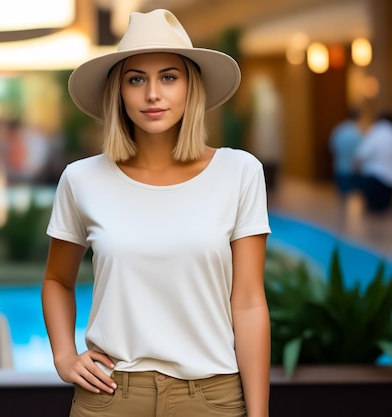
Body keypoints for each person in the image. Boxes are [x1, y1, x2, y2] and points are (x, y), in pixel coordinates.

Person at [41, 9, 271, 417]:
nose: (152, 94)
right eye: (136, 79)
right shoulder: (81, 179)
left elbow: (250, 302)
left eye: (169, 77)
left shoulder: (239, 172)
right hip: (109, 396)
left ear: (190, 87)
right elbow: (58, 279)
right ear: (119, 92)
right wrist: (63, 356)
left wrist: (258, 414)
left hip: (211, 398)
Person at [355, 111, 392, 238]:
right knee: (385, 209)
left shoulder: (376, 131)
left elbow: (364, 152)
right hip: (391, 176)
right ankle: (382, 238)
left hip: (375, 175)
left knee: (373, 211)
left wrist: (357, 164)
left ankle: (373, 238)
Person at [329, 108, 363, 200]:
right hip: (353, 169)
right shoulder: (357, 132)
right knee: (355, 197)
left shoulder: (339, 130)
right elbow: (361, 153)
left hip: (340, 167)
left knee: (343, 197)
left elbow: (332, 147)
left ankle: (341, 213)